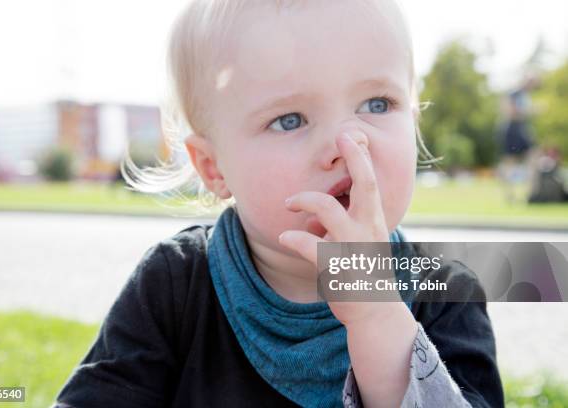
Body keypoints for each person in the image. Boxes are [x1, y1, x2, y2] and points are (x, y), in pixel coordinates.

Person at [53, 1, 504, 407]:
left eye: (377, 102)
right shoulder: (175, 283)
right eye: (289, 120)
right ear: (214, 168)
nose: (347, 143)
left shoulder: (446, 289)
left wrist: (377, 313)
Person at [498, 72, 541, 202]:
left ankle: (531, 194)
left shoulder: (526, 95)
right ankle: (509, 195)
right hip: (511, 129)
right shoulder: (514, 93)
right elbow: (509, 111)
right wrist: (531, 110)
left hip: (522, 129)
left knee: (534, 156)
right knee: (509, 162)